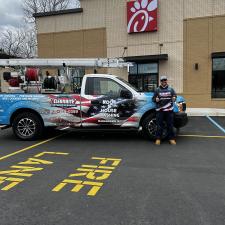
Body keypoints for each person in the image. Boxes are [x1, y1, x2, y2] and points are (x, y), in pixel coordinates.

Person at [152, 76, 177, 145]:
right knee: (159, 125)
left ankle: (171, 139)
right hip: (160, 110)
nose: (164, 82)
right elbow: (153, 99)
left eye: (165, 80)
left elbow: (175, 96)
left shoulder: (171, 89)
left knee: (170, 125)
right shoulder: (157, 90)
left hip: (169, 110)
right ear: (160, 81)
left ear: (166, 81)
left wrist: (174, 97)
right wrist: (155, 100)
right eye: (162, 81)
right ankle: (158, 139)